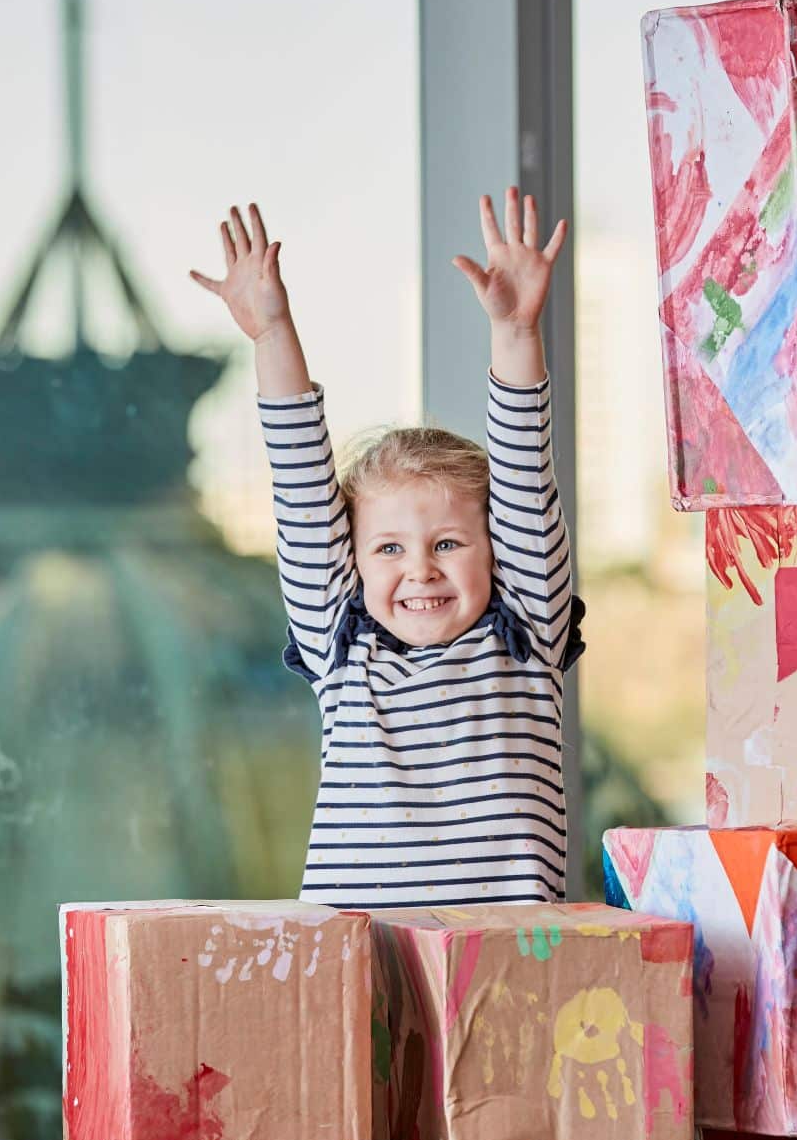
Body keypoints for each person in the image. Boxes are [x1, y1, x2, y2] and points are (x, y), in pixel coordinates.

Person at [189, 189, 580, 906]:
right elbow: (303, 492)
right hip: (359, 968)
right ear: (356, 562)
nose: (420, 568)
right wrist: (272, 332)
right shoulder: (341, 644)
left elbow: (526, 469)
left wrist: (517, 331)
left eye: (449, 542)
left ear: (498, 550)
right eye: (390, 549)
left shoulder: (528, 628)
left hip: (507, 970)